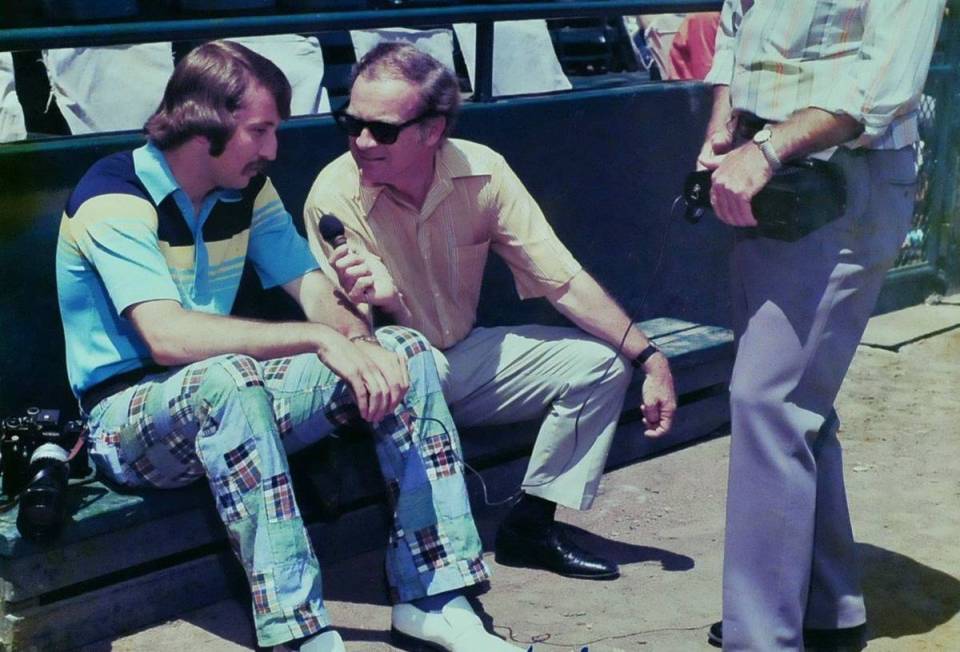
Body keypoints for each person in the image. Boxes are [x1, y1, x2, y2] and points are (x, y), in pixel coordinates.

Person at [55, 40, 520, 652]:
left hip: (224, 393)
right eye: (260, 131)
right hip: (124, 420)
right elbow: (165, 334)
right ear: (204, 127)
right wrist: (318, 338)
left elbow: (311, 289)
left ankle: (434, 596)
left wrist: (358, 340)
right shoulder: (113, 195)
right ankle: (299, 634)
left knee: (399, 348)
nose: (273, 150)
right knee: (229, 380)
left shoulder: (248, 188)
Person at [303, 41, 677, 582]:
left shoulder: (484, 170)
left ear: (432, 130)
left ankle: (531, 526)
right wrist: (387, 303)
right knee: (417, 360)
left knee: (601, 366)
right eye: (350, 122)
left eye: (381, 129)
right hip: (387, 376)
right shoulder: (333, 195)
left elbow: (563, 280)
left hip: (461, 356)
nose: (361, 141)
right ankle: (431, 568)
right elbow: (363, 343)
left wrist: (651, 357)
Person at [696, 1, 945, 649]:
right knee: (795, 401)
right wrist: (725, 129)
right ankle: (828, 606)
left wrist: (768, 148)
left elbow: (884, 89)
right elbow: (736, 28)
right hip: (764, 171)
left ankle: (763, 638)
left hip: (843, 176)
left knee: (768, 401)